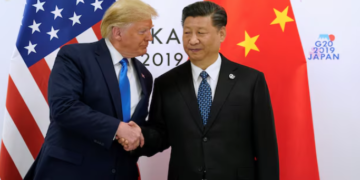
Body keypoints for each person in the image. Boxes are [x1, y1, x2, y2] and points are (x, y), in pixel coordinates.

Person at [121, 1, 279, 180]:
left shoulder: (250, 80)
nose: (192, 40)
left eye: (201, 33)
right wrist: (137, 137)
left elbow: (266, 148)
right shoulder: (166, 83)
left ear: (221, 34)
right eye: (187, 32)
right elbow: (160, 134)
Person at [24, 0, 157, 179]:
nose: (150, 37)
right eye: (143, 31)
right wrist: (117, 128)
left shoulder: (145, 75)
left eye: (150, 30)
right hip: (70, 172)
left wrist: (137, 136)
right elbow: (64, 107)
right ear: (117, 32)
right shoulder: (75, 56)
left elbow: (134, 126)